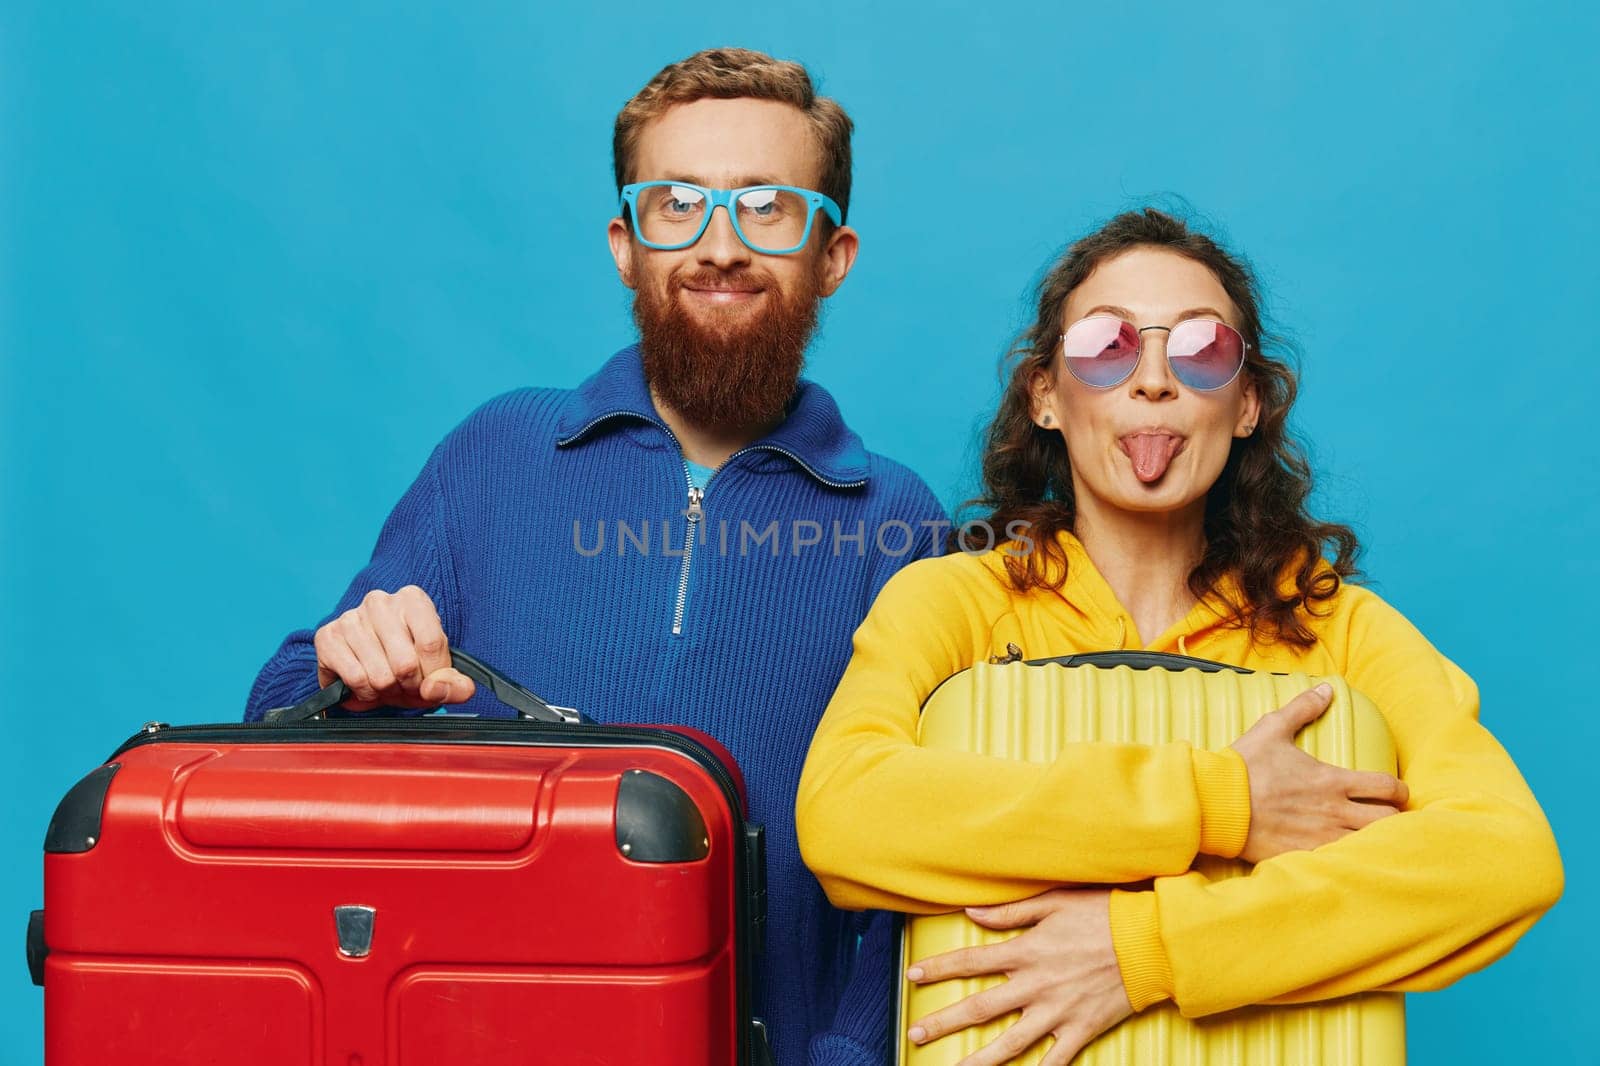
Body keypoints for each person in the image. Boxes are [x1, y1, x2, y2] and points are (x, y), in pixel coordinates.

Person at [245, 47, 946, 1066]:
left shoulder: (901, 521)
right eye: (677, 205)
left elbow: (916, 863)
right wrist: (345, 668)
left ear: (832, 253)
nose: (719, 245)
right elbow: (272, 711)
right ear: (625, 244)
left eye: (766, 207)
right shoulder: (494, 455)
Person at [795, 209, 1563, 1065]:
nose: (1153, 380)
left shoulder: (1340, 629)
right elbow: (844, 817)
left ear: (1246, 405)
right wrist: (1222, 806)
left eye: (1200, 352)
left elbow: (1506, 856)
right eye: (1106, 346)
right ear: (1045, 394)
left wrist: (1146, 948)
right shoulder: (954, 602)